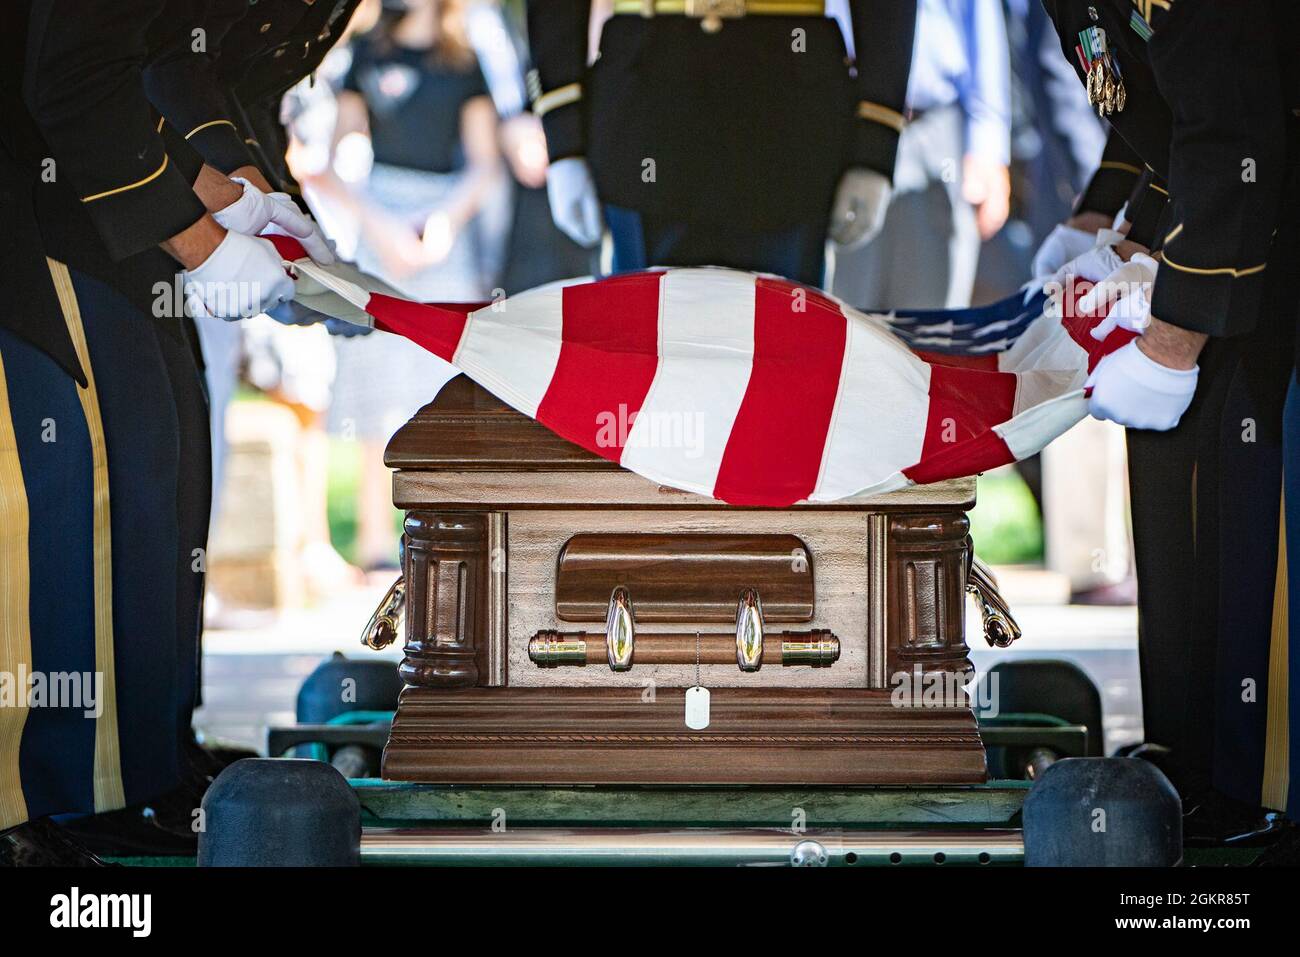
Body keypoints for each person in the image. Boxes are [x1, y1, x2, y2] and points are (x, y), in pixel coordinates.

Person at [0, 0, 343, 865]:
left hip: (62, 171)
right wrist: (207, 244)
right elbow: (78, 81)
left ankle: (115, 772)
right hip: (38, 180)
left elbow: (141, 75)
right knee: (54, 484)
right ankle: (35, 793)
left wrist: (243, 202)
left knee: (149, 462)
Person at [1035, 0, 1298, 850]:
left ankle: (1263, 782)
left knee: (1252, 478)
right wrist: (1104, 213)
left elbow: (1235, 120)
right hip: (1221, 189)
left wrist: (1173, 337)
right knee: (1173, 461)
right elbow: (1155, 101)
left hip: (1271, 200)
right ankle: (1190, 757)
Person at [526, 0, 917, 288]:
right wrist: (565, 141)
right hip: (646, 117)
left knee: (785, 362)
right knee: (647, 363)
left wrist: (874, 145)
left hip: (791, 128)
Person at [311, 0, 506, 570]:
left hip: (444, 220)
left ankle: (447, 531)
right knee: (377, 368)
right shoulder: (368, 51)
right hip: (379, 217)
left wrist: (445, 221)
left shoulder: (464, 59)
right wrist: (377, 221)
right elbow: (335, 160)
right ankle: (375, 540)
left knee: (443, 375)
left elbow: (484, 162)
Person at [830, 0, 1011, 310]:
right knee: (842, 305)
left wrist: (988, 144)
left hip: (935, 125)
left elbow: (979, 14)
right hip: (844, 119)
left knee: (933, 315)